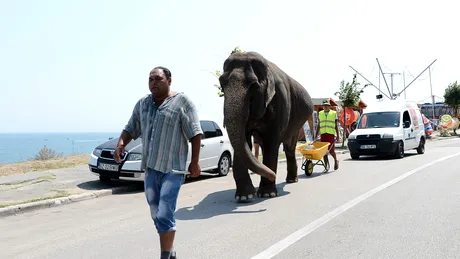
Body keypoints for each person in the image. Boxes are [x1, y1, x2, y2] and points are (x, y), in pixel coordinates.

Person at [114, 66, 203, 259]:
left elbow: (195, 133)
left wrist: (194, 162)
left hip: (173, 169)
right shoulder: (143, 104)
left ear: (169, 81)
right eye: (150, 79)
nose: (153, 82)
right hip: (151, 169)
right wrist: (121, 143)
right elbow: (131, 128)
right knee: (156, 215)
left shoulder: (183, 102)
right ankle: (170, 252)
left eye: (158, 79)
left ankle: (165, 255)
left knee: (164, 214)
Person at [315, 99, 339, 171]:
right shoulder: (320, 113)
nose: (325, 107)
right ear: (322, 106)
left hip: (330, 134)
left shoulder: (334, 113)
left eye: (327, 105)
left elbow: (336, 125)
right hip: (323, 135)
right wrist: (316, 135)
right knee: (324, 152)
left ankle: (335, 160)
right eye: (324, 105)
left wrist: (338, 135)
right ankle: (326, 166)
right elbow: (319, 125)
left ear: (329, 106)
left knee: (331, 151)